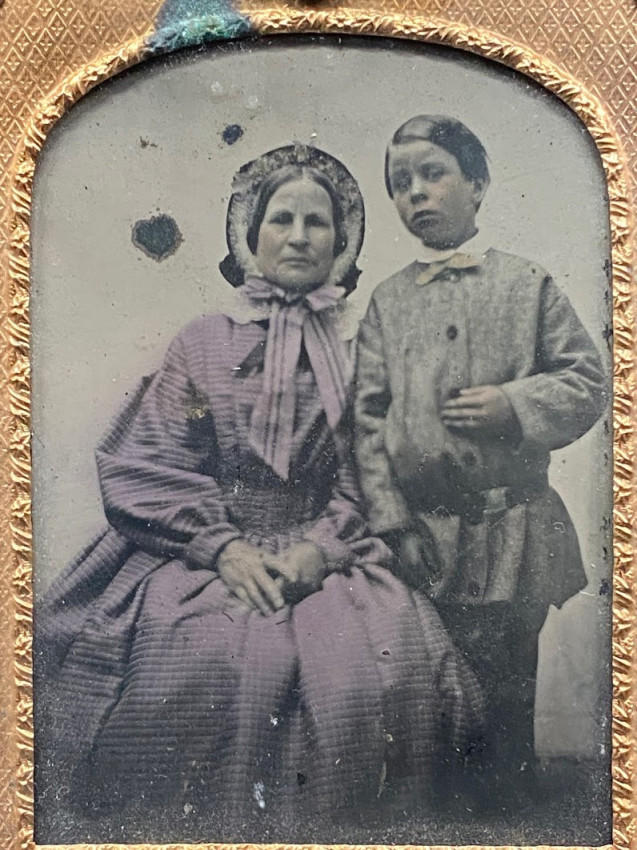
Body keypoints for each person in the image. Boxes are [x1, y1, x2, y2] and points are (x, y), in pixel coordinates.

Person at [35, 144, 484, 844]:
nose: (299, 236)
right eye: (281, 219)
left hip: (329, 552)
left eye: (317, 222)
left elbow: (375, 475)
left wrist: (322, 548)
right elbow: (152, 460)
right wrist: (221, 547)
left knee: (369, 672)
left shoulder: (364, 350)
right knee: (192, 659)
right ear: (250, 235)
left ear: (344, 240)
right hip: (201, 549)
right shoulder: (204, 342)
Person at [354, 115, 607, 804]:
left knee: (504, 691)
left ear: (477, 182)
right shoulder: (386, 302)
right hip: (424, 541)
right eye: (400, 184)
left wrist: (515, 405)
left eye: (432, 174)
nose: (416, 194)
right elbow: (366, 422)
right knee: (433, 688)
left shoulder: (527, 285)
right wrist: (391, 522)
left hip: (513, 534)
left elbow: (587, 382)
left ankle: (507, 818)